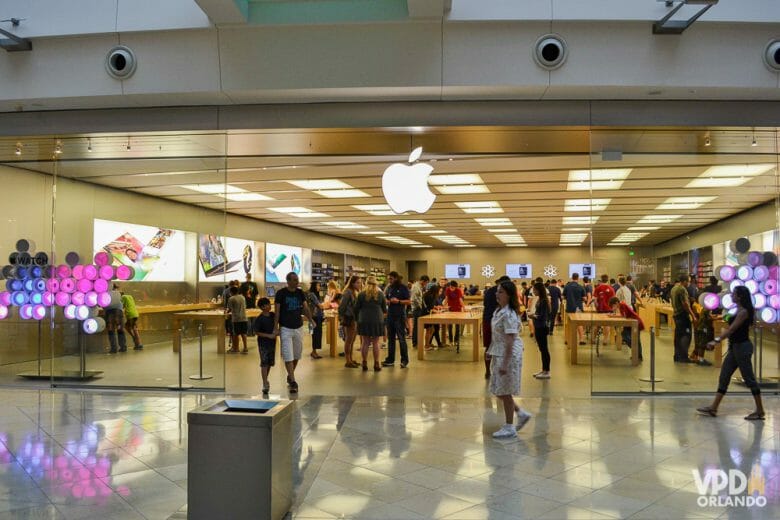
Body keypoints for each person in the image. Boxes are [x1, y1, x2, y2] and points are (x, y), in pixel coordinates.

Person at [697, 286, 765, 421]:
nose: (731, 296)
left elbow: (732, 329)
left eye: (734, 294)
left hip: (742, 348)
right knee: (724, 376)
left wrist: (715, 340)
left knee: (749, 379)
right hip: (735, 348)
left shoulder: (743, 312)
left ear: (739, 297)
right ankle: (713, 408)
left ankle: (760, 410)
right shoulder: (738, 310)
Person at [488, 279, 532, 439]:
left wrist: (505, 363)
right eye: (497, 291)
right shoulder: (499, 311)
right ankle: (521, 413)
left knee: (504, 391)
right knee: (498, 390)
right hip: (499, 352)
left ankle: (509, 426)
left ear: (509, 295)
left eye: (500, 292)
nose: (496, 294)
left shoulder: (509, 314)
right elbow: (497, 335)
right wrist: (490, 349)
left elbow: (510, 339)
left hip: (509, 355)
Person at [273, 272, 313, 393]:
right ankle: (293, 381)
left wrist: (311, 319)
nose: (297, 282)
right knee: (288, 355)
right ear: (288, 281)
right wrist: (276, 327)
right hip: (285, 328)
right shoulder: (281, 294)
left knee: (296, 355)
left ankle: (290, 376)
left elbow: (305, 308)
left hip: (298, 327)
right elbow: (277, 311)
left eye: (297, 279)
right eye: (295, 280)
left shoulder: (300, 293)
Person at [354, 276, 387, 371]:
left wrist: (357, 319)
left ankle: (364, 362)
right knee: (376, 343)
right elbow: (384, 309)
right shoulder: (380, 294)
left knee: (365, 342)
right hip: (377, 320)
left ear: (366, 283)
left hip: (364, 320)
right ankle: (376, 363)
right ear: (376, 283)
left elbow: (356, 308)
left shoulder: (361, 294)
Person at [483, 276, 509, 379]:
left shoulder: (489, 291)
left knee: (488, 347)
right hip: (499, 322)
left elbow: (486, 304)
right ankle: (499, 370)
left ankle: (487, 371)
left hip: (487, 320)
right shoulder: (504, 292)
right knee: (501, 346)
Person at [383, 273, 411, 368]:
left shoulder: (403, 288)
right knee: (390, 339)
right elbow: (385, 298)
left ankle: (404, 360)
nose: (389, 281)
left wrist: (398, 301)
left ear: (395, 278)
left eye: (391, 279)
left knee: (401, 339)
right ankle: (390, 359)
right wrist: (387, 301)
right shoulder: (389, 288)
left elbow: (408, 301)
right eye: (388, 279)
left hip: (399, 316)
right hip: (390, 315)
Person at [252, 297, 277, 394]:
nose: (269, 306)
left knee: (269, 362)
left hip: (272, 343)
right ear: (262, 307)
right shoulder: (259, 319)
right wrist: (268, 335)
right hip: (263, 343)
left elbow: (277, 324)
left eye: (269, 304)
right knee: (264, 362)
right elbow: (257, 332)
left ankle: (266, 379)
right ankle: (264, 383)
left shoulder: (272, 315)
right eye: (267, 305)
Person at [671, 275, 697, 363]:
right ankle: (684, 356)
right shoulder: (682, 289)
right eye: (688, 281)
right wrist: (693, 315)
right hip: (683, 316)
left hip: (676, 315)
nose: (689, 283)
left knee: (678, 337)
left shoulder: (674, 288)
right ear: (684, 281)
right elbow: (685, 304)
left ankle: (677, 356)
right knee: (686, 335)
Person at [609, 296, 644, 361]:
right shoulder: (621, 306)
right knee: (626, 335)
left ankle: (637, 354)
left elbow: (624, 317)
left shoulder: (622, 305)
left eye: (613, 306)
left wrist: (614, 315)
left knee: (635, 339)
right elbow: (624, 316)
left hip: (636, 323)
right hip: (631, 323)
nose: (613, 307)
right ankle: (636, 353)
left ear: (616, 303)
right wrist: (613, 315)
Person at [339, 275, 362, 368]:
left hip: (354, 318)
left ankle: (351, 359)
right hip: (349, 318)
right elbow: (342, 306)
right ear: (352, 283)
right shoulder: (348, 292)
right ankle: (348, 360)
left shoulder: (355, 292)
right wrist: (342, 317)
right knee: (349, 340)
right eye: (358, 282)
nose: (360, 284)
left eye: (360, 282)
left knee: (352, 340)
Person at [530, 282, 551, 379]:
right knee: (542, 349)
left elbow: (542, 317)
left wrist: (532, 316)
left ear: (539, 290)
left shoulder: (543, 301)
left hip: (541, 327)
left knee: (544, 350)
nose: (533, 291)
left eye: (534, 289)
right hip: (538, 326)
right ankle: (544, 370)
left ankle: (546, 371)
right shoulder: (540, 300)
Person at [104, 284, 127, 353]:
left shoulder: (106, 293)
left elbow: (103, 303)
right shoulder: (118, 293)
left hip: (110, 312)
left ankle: (114, 348)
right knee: (120, 329)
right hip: (119, 311)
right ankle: (123, 347)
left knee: (111, 330)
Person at [563, 273, 586, 345]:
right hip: (578, 307)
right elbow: (584, 298)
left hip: (569, 307)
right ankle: (581, 339)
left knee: (569, 324)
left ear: (572, 277)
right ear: (578, 278)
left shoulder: (567, 286)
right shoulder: (580, 287)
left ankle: (568, 339)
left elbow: (563, 297)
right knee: (579, 324)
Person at [691, 299, 713, 366]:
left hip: (701, 327)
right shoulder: (707, 308)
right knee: (702, 344)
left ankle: (699, 358)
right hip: (703, 328)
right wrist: (716, 318)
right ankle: (701, 360)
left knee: (701, 344)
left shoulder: (704, 307)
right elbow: (708, 318)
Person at [227, 285, 248, 354]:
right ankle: (245, 348)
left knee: (235, 334)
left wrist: (226, 312)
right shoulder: (242, 297)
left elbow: (229, 309)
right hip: (244, 318)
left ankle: (236, 348)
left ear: (231, 292)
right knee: (243, 333)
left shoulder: (231, 298)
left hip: (236, 319)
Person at [306, 281, 325, 359]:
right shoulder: (312, 294)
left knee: (316, 334)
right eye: (318, 285)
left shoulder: (315, 294)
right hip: (314, 317)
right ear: (314, 286)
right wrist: (324, 305)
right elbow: (319, 305)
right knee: (315, 334)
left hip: (317, 316)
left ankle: (314, 351)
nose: (319, 287)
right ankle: (314, 352)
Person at [444, 280, 464, 349]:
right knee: (450, 326)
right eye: (451, 287)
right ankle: (450, 340)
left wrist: (464, 308)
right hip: (450, 309)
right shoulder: (447, 290)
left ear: (455, 287)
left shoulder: (458, 290)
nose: (452, 288)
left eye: (453, 287)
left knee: (457, 326)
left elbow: (460, 299)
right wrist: (443, 306)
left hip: (458, 309)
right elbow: (446, 299)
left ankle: (456, 340)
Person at [422, 284, 443, 350]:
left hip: (428, 313)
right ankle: (426, 346)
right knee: (429, 330)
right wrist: (437, 311)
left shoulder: (429, 295)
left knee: (432, 329)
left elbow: (431, 305)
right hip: (426, 314)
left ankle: (428, 343)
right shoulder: (429, 296)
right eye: (439, 291)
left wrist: (436, 307)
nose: (439, 293)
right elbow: (429, 307)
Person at [410, 275, 429, 348]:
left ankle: (417, 341)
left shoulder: (420, 286)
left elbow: (421, 298)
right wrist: (421, 306)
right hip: (416, 308)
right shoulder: (415, 286)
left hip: (419, 308)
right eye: (426, 282)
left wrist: (425, 307)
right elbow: (415, 298)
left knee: (418, 326)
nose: (426, 284)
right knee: (416, 326)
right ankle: (415, 342)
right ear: (423, 281)